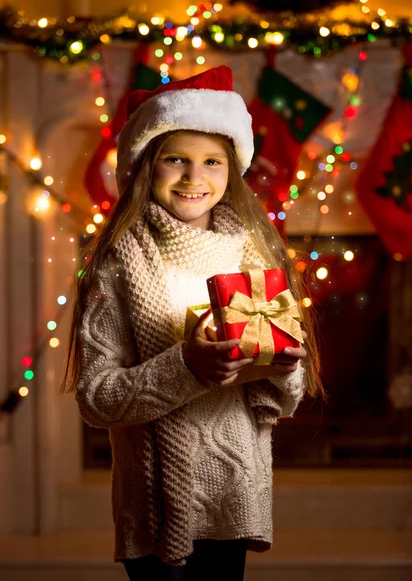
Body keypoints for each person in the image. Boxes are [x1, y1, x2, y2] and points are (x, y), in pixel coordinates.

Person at [61, 65, 322, 581]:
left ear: (233, 171)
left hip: (234, 492)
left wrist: (282, 364)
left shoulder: (255, 257)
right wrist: (188, 365)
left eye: (212, 162)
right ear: (145, 167)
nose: (194, 177)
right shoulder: (117, 265)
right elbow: (97, 398)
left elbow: (286, 394)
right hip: (156, 498)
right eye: (175, 159)